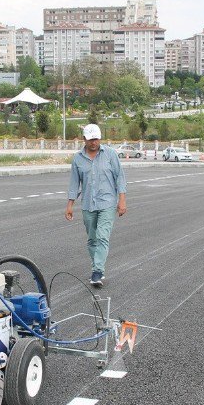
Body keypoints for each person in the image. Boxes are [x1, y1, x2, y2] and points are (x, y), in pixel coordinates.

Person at [65, 123, 128, 287]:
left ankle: (97, 271)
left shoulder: (110, 155)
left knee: (102, 236)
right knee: (92, 239)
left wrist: (122, 200)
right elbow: (74, 183)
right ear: (84, 139)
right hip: (87, 204)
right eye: (91, 140)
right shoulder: (78, 159)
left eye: (96, 139)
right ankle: (97, 269)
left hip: (107, 203)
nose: (94, 143)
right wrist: (70, 205)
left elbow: (120, 177)